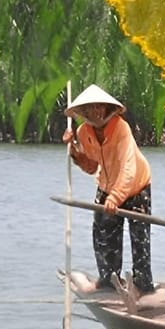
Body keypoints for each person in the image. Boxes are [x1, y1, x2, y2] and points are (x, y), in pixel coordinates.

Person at [61, 84, 155, 295]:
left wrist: (116, 197)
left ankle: (142, 284)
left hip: (136, 186)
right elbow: (91, 166)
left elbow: (128, 168)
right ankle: (108, 279)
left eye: (98, 107)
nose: (95, 112)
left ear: (106, 108)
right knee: (102, 232)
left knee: (140, 236)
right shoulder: (83, 131)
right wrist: (74, 150)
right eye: (89, 108)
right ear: (83, 112)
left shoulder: (121, 128)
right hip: (106, 185)